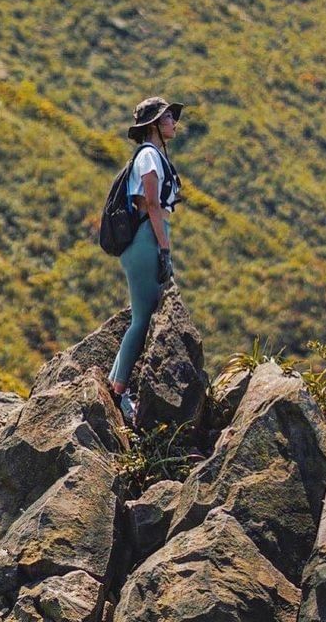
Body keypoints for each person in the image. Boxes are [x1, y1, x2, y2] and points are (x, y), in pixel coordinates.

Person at [107, 95, 183, 425]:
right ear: (154, 124)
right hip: (146, 240)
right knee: (142, 318)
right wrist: (164, 249)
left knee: (144, 314)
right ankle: (120, 393)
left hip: (148, 238)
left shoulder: (151, 155)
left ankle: (115, 386)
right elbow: (152, 205)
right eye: (168, 118)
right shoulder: (150, 156)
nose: (173, 123)